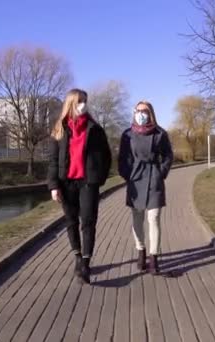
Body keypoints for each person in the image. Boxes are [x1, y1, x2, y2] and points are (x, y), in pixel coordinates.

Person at [48, 88, 112, 284]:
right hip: (66, 183)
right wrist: (53, 185)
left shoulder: (95, 129)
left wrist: (98, 178)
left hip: (88, 183)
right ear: (71, 104)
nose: (83, 104)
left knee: (88, 222)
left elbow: (107, 157)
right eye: (79, 101)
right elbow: (52, 161)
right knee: (71, 222)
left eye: (85, 100)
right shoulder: (59, 129)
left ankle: (85, 263)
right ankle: (77, 255)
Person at [118, 100, 173, 274]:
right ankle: (140, 250)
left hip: (154, 179)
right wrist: (127, 174)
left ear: (150, 113)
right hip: (135, 180)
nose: (141, 114)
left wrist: (161, 172)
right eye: (138, 110)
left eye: (145, 111)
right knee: (137, 219)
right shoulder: (127, 134)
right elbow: (122, 158)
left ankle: (154, 258)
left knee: (154, 219)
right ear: (134, 112)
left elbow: (168, 155)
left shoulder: (160, 133)